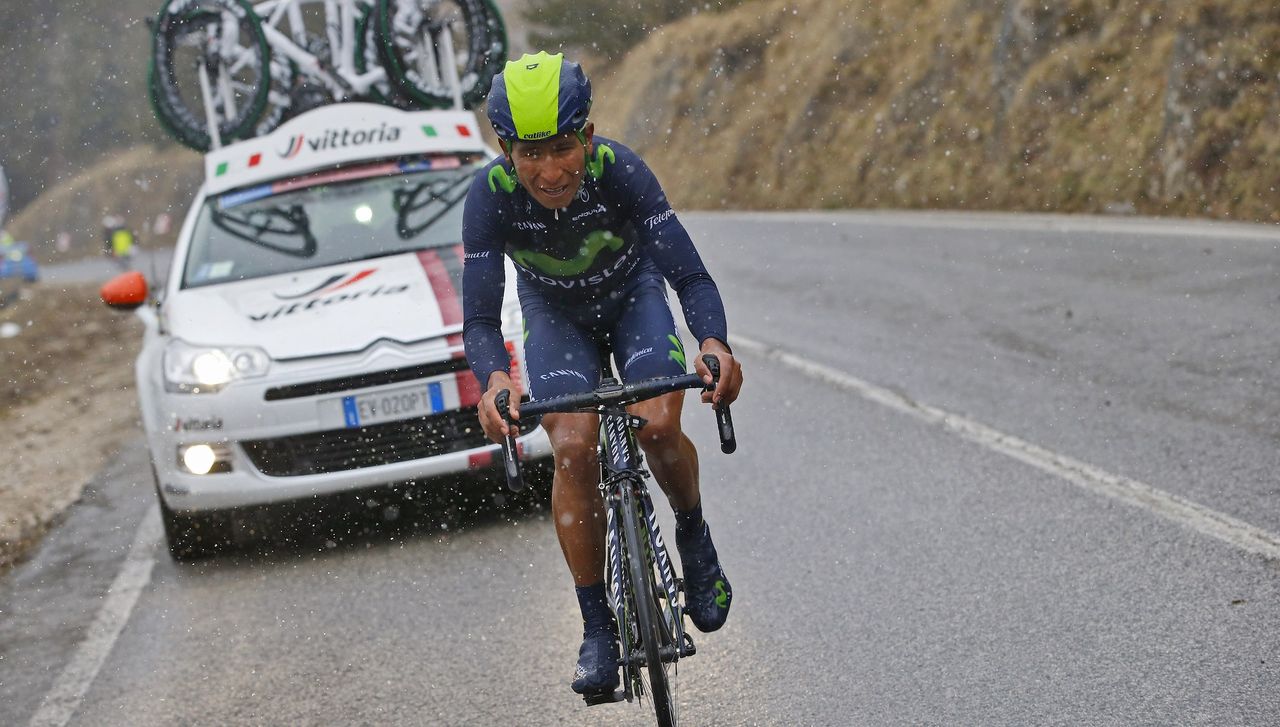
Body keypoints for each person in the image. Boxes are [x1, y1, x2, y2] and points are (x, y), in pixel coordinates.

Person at [462, 51, 744, 697]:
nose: (550, 170)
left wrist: (713, 344)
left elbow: (689, 276)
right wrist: (496, 380)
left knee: (656, 426)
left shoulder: (621, 172)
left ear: (587, 137)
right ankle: (597, 627)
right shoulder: (490, 196)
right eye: (530, 153)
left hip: (633, 298)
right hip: (554, 313)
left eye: (563, 147)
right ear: (504, 148)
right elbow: (479, 318)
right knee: (571, 448)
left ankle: (694, 538)